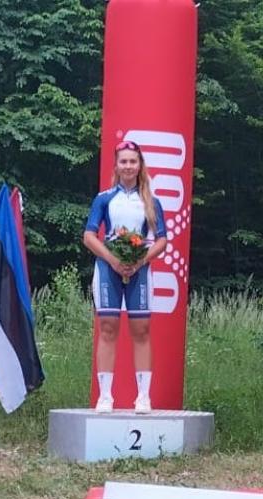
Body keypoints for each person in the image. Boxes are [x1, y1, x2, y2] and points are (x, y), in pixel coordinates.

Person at [83, 141, 168, 414]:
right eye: (124, 161)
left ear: (140, 165)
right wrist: (113, 260)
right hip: (108, 268)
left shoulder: (151, 201)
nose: (128, 166)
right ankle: (105, 396)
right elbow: (89, 236)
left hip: (139, 269)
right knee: (108, 328)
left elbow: (162, 240)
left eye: (133, 161)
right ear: (116, 166)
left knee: (141, 330)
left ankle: (143, 397)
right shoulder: (104, 198)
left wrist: (140, 260)